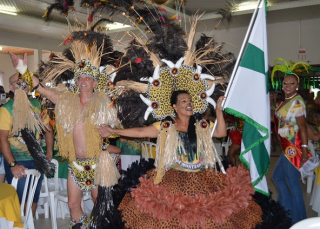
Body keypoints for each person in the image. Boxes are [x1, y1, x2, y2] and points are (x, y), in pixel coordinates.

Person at [98, 91, 264, 228]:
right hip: (174, 178)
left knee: (210, 216)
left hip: (202, 177)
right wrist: (114, 131)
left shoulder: (201, 124)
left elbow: (221, 133)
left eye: (190, 100)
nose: (188, 103)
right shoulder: (166, 126)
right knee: (171, 218)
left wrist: (219, 112)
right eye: (183, 101)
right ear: (175, 107)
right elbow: (141, 132)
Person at [9, 39, 121, 228]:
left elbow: (117, 127)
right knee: (72, 204)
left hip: (98, 162)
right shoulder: (66, 101)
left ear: (94, 82)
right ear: (77, 80)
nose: (83, 81)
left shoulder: (104, 103)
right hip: (74, 163)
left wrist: (109, 132)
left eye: (87, 78)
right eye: (80, 78)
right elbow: (42, 89)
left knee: (100, 205)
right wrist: (23, 71)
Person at [0, 73, 54, 216]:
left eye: (25, 82)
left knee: (33, 199)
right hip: (18, 161)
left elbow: (49, 130)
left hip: (37, 159)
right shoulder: (6, 109)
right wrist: (12, 164)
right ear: (11, 87)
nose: (22, 85)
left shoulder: (37, 104)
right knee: (21, 199)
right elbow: (1, 138)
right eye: (18, 82)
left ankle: (30, 224)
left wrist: (49, 152)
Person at [271, 64, 312, 225]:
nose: (287, 86)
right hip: (285, 146)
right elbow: (280, 120)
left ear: (297, 86)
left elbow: (303, 128)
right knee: (278, 177)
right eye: (285, 83)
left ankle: (300, 219)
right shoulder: (285, 100)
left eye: (291, 83)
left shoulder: (297, 103)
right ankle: (286, 211)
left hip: (293, 147)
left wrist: (303, 152)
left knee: (291, 181)